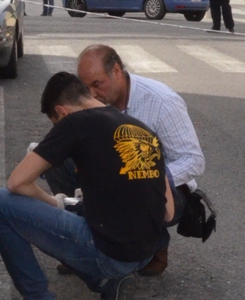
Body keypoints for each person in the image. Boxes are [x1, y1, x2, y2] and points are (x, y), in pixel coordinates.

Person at [0, 72, 174, 300]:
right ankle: (104, 282)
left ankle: (39, 297)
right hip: (145, 253)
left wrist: (55, 204)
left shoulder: (75, 122)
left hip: (110, 255)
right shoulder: (142, 129)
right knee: (84, 213)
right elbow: (168, 213)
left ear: (61, 111)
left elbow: (16, 182)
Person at [75, 44, 205, 276]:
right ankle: (83, 237)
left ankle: (155, 244)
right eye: (86, 88)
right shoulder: (91, 102)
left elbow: (193, 160)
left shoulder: (161, 101)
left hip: (163, 189)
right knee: (58, 164)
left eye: (97, 84)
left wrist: (146, 177)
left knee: (132, 183)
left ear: (116, 71)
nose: (92, 95)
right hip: (111, 180)